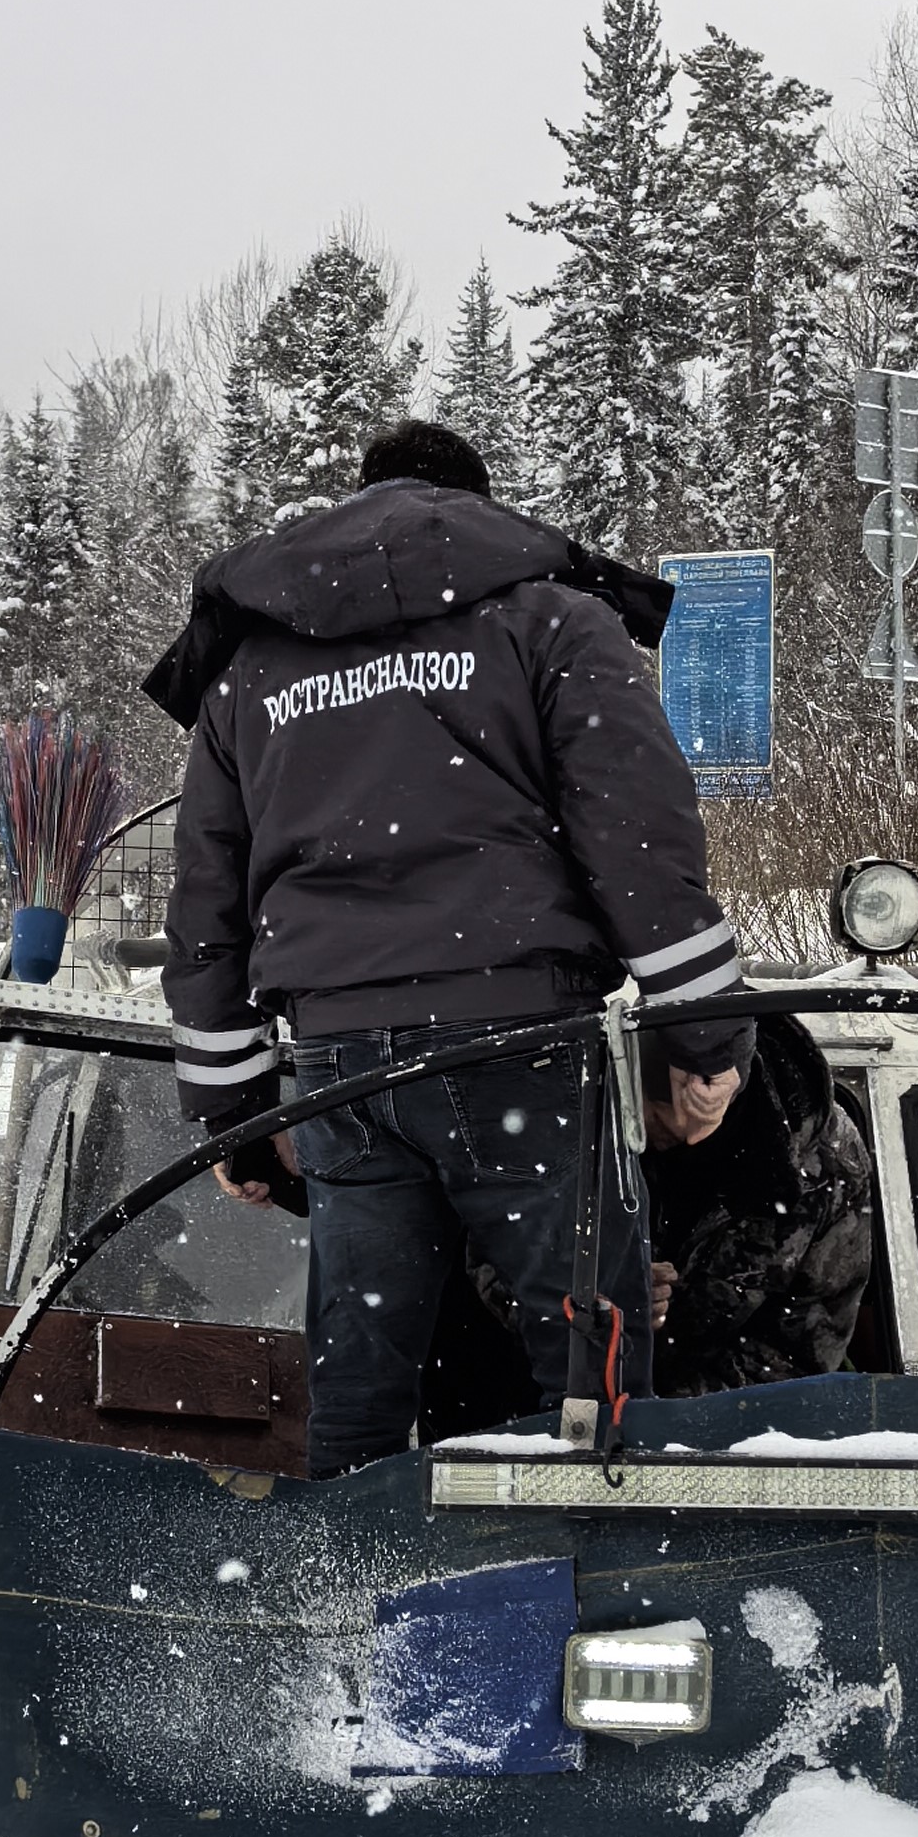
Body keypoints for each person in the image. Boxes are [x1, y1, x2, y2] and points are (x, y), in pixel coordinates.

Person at [150, 419, 752, 1476]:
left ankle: (350, 1562)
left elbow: (207, 902)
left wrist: (238, 1116)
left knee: (360, 1378)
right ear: (476, 508)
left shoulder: (252, 666)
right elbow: (640, 841)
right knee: (591, 1373)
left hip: (341, 1072)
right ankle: (594, 1548)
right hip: (517, 1043)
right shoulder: (549, 618)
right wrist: (708, 1040)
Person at [638, 1015, 875, 1396]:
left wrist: (667, 1407)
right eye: (643, 1121)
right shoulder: (587, 1124)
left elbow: (801, 1354)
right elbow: (535, 1270)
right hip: (570, 1404)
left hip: (723, 1418)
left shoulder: (829, 1169)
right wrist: (607, 1309)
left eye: (662, 1127)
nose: (644, 1139)